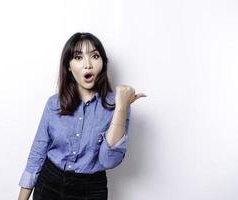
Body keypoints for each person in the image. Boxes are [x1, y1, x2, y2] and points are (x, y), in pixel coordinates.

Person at [17, 32, 146, 200]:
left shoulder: (119, 105)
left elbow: (109, 160)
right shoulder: (54, 104)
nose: (88, 64)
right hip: (49, 183)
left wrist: (121, 107)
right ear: (69, 66)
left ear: (103, 63)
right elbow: (37, 153)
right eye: (78, 57)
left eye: (94, 56)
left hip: (90, 189)